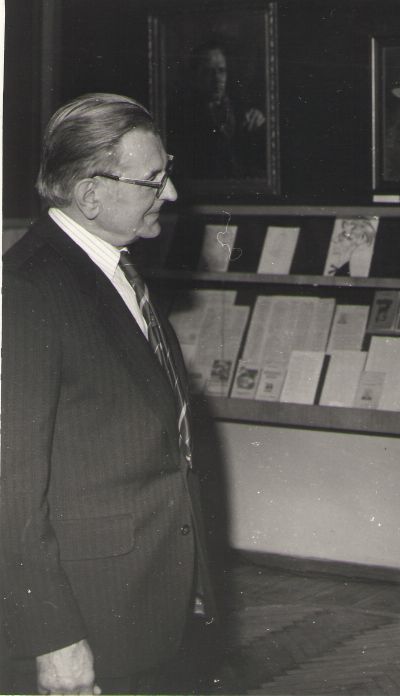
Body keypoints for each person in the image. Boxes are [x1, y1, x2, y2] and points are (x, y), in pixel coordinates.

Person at [1, 93, 215, 695]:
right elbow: (9, 485)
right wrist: (52, 637)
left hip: (150, 598)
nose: (170, 195)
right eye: (154, 180)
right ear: (91, 195)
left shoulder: (112, 267)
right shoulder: (25, 293)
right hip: (91, 620)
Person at [168, 39, 267, 180]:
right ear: (196, 76)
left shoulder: (242, 110)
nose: (217, 79)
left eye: (221, 71)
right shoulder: (182, 115)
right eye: (208, 72)